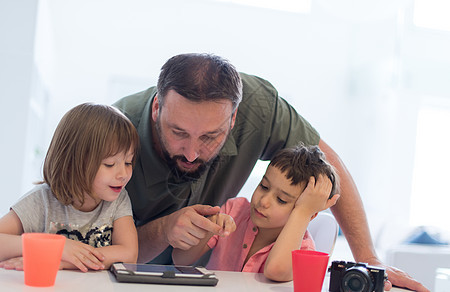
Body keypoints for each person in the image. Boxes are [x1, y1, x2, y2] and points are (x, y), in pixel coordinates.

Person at [113, 53, 429, 291]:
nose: (192, 153)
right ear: (157, 108)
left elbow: (330, 172)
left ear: (234, 118)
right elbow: (89, 242)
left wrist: (368, 259)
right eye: (178, 132)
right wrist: (165, 229)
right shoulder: (113, 129)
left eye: (210, 137)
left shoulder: (259, 108)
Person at [0, 103, 140, 272]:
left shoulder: (118, 200)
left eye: (128, 162)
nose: (123, 174)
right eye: (110, 164)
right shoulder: (42, 200)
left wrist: (65, 261)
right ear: (71, 163)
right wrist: (57, 247)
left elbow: (129, 253)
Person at [173, 144, 339, 282]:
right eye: (264, 186)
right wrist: (210, 227)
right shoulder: (234, 211)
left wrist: (303, 212)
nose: (263, 201)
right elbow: (180, 260)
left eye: (281, 200)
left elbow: (276, 270)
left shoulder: (303, 250)